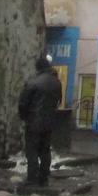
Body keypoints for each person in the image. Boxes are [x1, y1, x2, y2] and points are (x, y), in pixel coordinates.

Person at [17, 55, 62, 187]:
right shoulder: (56, 82)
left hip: (33, 122)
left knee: (32, 151)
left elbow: (23, 103)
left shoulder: (33, 82)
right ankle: (44, 178)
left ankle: (32, 178)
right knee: (45, 150)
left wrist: (24, 117)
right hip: (49, 123)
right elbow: (58, 101)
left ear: (38, 68)